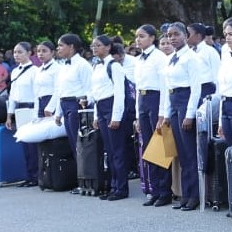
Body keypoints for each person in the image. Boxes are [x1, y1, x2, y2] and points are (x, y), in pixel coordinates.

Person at [158, 23, 209, 210]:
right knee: (181, 153)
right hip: (174, 101)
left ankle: (194, 195)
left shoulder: (191, 58)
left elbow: (196, 88)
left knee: (189, 152)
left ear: (185, 36)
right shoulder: (172, 58)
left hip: (186, 100)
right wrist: (166, 114)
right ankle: (185, 193)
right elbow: (168, 88)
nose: (172, 38)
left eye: (176, 34)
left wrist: (189, 114)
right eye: (169, 35)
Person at [88, 36, 135, 201]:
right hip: (101, 107)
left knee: (118, 150)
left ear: (108, 47)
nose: (95, 48)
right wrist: (96, 115)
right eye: (93, 45)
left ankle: (121, 188)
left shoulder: (114, 66)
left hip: (112, 107)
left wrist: (116, 117)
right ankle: (113, 186)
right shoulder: (97, 66)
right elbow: (96, 92)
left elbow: (120, 93)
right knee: (109, 150)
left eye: (98, 45)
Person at [46, 34, 94, 191]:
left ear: (72, 47)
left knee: (80, 145)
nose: (58, 48)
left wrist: (85, 103)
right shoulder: (63, 66)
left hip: (77, 104)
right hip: (65, 104)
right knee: (73, 144)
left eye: (61, 45)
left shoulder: (82, 65)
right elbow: (60, 90)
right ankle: (80, 180)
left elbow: (89, 88)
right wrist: (58, 112)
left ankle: (86, 180)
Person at [133, 26, 171, 206]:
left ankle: (165, 191)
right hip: (143, 100)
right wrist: (137, 116)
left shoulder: (159, 58)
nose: (138, 40)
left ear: (152, 38)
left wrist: (162, 114)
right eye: (137, 36)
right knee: (148, 148)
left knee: (160, 148)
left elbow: (164, 87)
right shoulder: (138, 59)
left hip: (156, 100)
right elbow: (137, 88)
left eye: (142, 36)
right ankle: (154, 189)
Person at [4, 42, 39, 187]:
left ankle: (36, 176)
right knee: (24, 144)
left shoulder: (35, 71)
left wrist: (36, 114)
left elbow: (37, 94)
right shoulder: (15, 71)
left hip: (30, 107)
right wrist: (9, 115)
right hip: (19, 109)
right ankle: (29, 175)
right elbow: (12, 95)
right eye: (15, 52)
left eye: (20, 52)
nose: (16, 55)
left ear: (29, 53)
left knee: (32, 145)